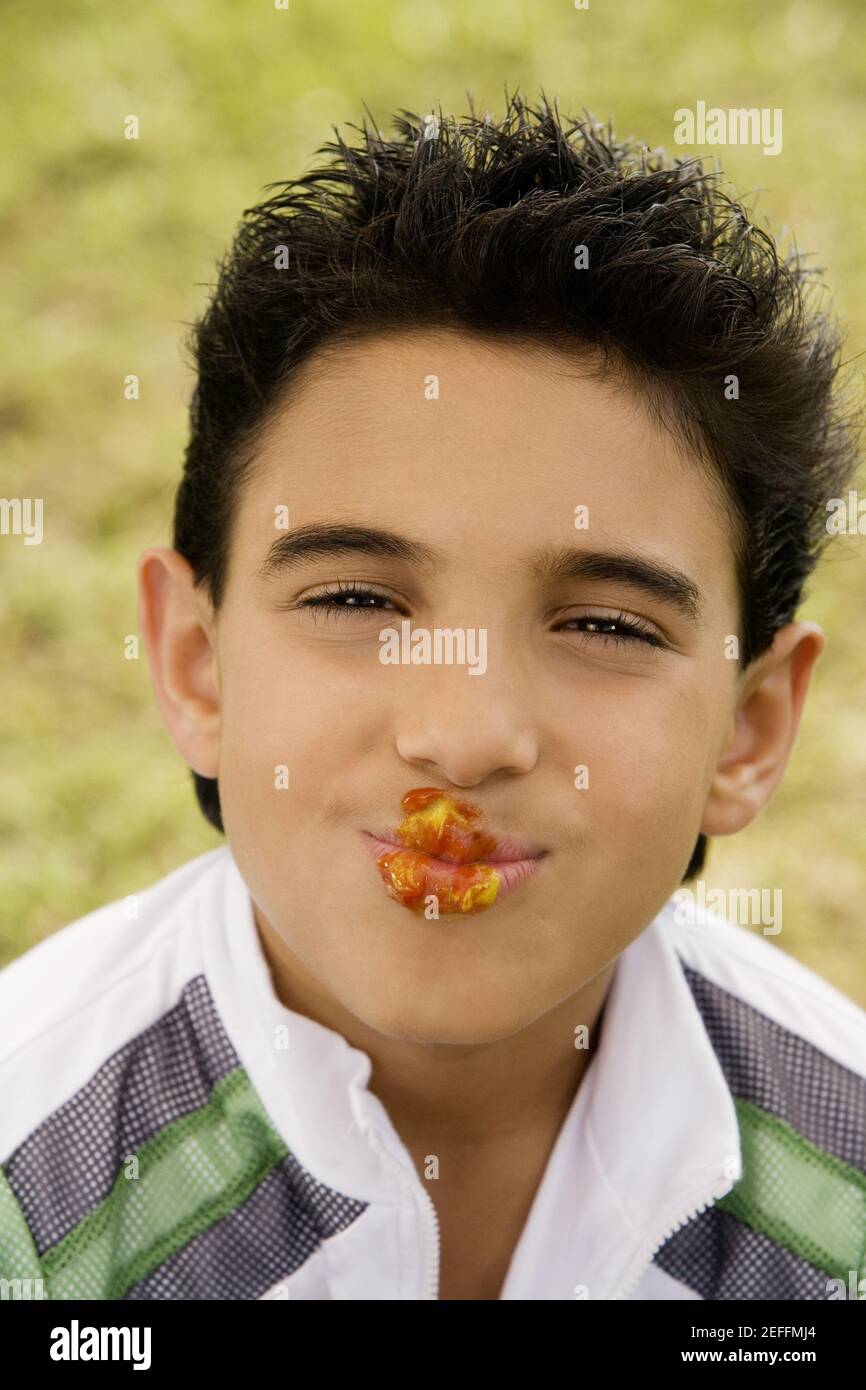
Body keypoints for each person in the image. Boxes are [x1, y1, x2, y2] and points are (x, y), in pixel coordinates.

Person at [2, 92, 864, 1301]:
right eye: (357, 601)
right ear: (196, 660)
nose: (460, 738)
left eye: (606, 624)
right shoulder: (28, 1198)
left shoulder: (840, 1203)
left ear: (748, 728)